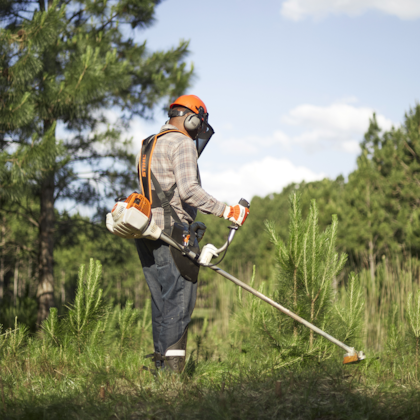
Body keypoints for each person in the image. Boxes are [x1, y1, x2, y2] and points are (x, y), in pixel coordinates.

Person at [135, 94, 249, 373]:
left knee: (161, 303)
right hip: (173, 234)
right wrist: (227, 211)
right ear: (192, 118)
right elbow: (189, 191)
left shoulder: (149, 143)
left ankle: (161, 372)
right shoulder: (183, 143)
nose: (198, 132)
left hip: (147, 230)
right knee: (179, 301)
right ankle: (173, 381)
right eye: (199, 125)